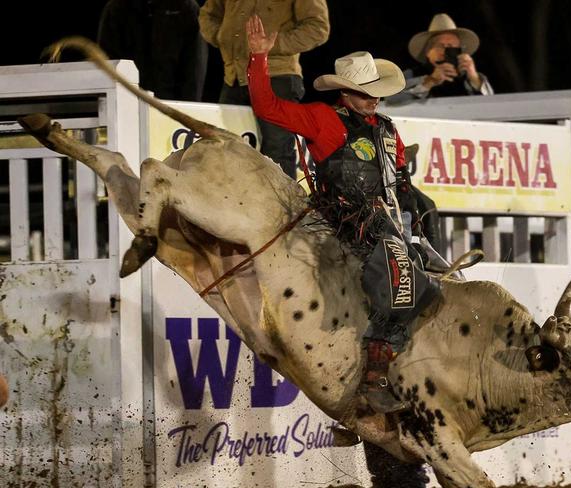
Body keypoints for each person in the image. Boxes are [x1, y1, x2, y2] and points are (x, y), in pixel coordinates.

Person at [246, 15, 440, 414]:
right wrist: (258, 59)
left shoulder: (386, 128)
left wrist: (412, 194)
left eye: (376, 94)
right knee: (395, 269)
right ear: (346, 93)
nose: (375, 100)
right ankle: (375, 375)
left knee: (423, 249)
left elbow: (398, 175)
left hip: (383, 219)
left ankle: (431, 294)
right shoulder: (323, 118)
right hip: (345, 217)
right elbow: (267, 107)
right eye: (366, 94)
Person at [199, 0, 330, 179]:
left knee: (277, 154)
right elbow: (207, 14)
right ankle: (235, 205)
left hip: (277, 76)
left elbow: (318, 28)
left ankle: (282, 207)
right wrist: (221, 37)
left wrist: (270, 45)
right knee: (226, 151)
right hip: (234, 78)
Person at [98, 0, 208, 102]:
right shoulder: (116, 9)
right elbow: (108, 65)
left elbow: (194, 72)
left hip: (172, 108)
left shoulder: (187, 9)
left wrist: (187, 113)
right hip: (127, 106)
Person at [386, 13, 493, 104]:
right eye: (441, 46)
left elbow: (492, 105)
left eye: (452, 47)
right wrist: (429, 81)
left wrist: (474, 78)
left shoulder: (471, 78)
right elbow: (390, 99)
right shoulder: (411, 74)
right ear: (428, 52)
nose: (446, 50)